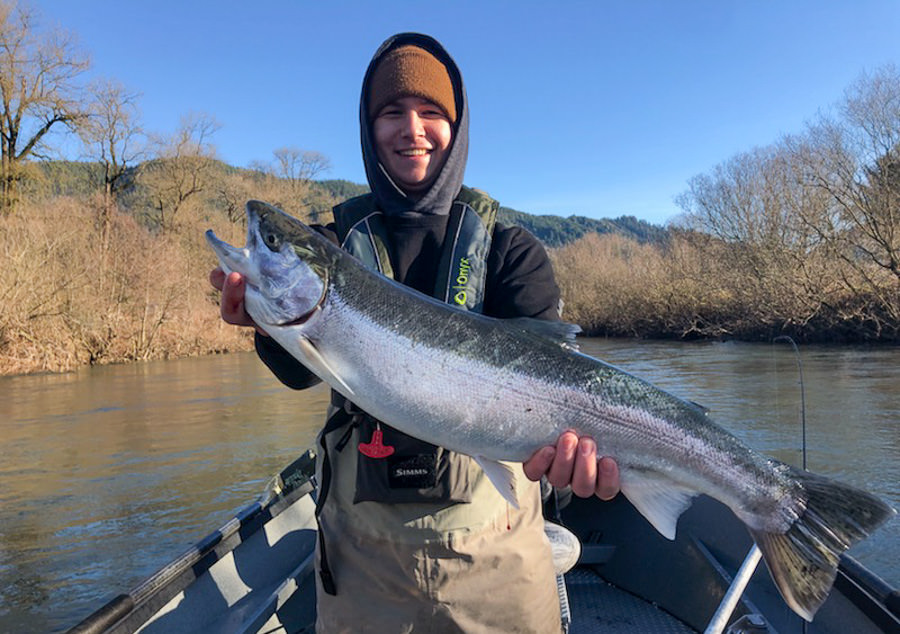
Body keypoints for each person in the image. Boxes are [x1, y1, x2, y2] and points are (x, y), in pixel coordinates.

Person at [210, 32, 620, 633]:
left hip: (499, 556)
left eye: (432, 113)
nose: (412, 129)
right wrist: (263, 324)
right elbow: (301, 371)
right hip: (362, 563)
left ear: (457, 128)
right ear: (367, 129)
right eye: (390, 113)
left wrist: (575, 457)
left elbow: (556, 373)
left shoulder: (512, 252)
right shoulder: (332, 244)